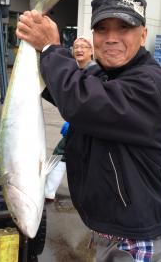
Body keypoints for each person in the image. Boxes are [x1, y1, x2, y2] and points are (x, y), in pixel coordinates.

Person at [16, 0, 161, 262]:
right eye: (102, 29)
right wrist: (33, 48)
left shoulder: (151, 84)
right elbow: (68, 90)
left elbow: (82, 101)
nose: (111, 38)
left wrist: (52, 49)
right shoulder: (108, 76)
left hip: (134, 240)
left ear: (144, 35)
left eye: (124, 27)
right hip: (110, 230)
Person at [44, 36, 97, 202]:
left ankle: (48, 192)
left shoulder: (95, 71)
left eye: (84, 47)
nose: (79, 50)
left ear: (91, 51)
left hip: (90, 127)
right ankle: (48, 192)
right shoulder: (74, 69)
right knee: (63, 154)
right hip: (77, 125)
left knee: (63, 154)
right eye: (76, 47)